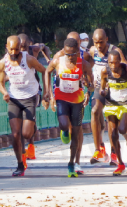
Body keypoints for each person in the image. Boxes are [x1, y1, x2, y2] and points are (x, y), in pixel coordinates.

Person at [44, 38, 94, 177]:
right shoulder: (58, 62)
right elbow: (47, 72)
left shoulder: (84, 64)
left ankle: (71, 163)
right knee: (64, 124)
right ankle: (64, 130)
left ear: (78, 52)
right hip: (62, 98)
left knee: (76, 134)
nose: (70, 57)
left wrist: (88, 89)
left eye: (72, 54)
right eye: (67, 54)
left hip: (77, 101)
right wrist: (49, 93)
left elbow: (91, 84)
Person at [0, 35, 46, 176]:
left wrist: (47, 91)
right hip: (14, 99)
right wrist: (5, 92)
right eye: (11, 49)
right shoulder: (3, 63)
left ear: (21, 48)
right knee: (15, 134)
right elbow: (0, 83)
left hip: (30, 97)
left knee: (26, 134)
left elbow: (44, 71)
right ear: (7, 47)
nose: (14, 52)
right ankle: (20, 165)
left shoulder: (29, 59)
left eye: (17, 49)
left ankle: (32, 126)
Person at [89, 28, 127, 164]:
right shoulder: (92, 51)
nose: (99, 45)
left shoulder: (115, 51)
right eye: (96, 42)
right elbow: (86, 64)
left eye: (101, 42)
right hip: (100, 88)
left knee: (112, 122)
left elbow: (126, 68)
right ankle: (98, 149)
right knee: (94, 112)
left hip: (115, 90)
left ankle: (114, 152)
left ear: (107, 39)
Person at [100, 50, 127, 175]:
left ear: (120, 62)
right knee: (113, 134)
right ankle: (120, 163)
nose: (113, 66)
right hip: (111, 104)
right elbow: (102, 86)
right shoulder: (105, 71)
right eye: (111, 63)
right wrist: (103, 91)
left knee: (122, 129)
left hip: (126, 103)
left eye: (116, 63)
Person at [18, 33, 50, 161]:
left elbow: (44, 46)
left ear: (29, 45)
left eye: (24, 47)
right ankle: (22, 150)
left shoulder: (34, 50)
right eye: (19, 47)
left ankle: (31, 146)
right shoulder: (12, 53)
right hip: (18, 89)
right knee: (19, 120)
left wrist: (48, 58)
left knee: (30, 119)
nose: (22, 50)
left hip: (34, 88)